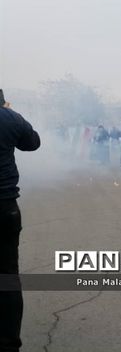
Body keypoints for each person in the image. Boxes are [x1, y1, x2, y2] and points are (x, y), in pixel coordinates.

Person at [0, 101, 41, 352]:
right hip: (4, 206)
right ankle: (7, 344)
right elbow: (32, 142)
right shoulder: (8, 116)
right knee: (6, 278)